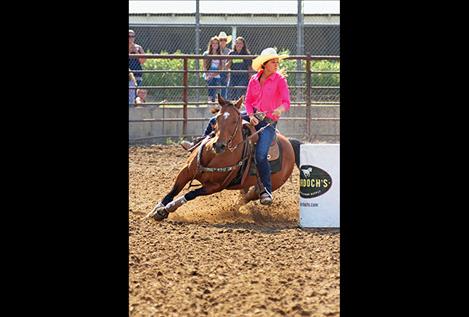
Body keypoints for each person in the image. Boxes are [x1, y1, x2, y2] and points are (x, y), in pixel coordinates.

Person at [244, 47, 290, 205]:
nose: (276, 64)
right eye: (273, 62)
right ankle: (201, 140)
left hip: (269, 122)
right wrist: (250, 116)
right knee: (222, 120)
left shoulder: (280, 80)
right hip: (254, 117)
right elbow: (248, 101)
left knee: (261, 154)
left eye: (277, 62)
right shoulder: (253, 80)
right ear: (265, 64)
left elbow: (286, 102)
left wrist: (280, 109)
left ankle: (267, 190)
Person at [202, 36, 223, 103]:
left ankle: (214, 98)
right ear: (210, 44)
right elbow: (204, 66)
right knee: (211, 81)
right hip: (208, 73)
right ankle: (210, 98)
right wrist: (208, 74)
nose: (214, 45)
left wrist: (213, 75)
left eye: (216, 43)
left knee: (215, 81)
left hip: (216, 74)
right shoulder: (206, 53)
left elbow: (220, 68)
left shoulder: (220, 54)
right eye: (213, 43)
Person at [217, 31, 232, 99]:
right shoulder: (215, 50)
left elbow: (230, 63)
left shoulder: (229, 51)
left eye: (225, 40)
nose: (223, 41)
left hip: (226, 72)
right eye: (221, 40)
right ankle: (214, 99)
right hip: (216, 70)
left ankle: (223, 99)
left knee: (225, 84)